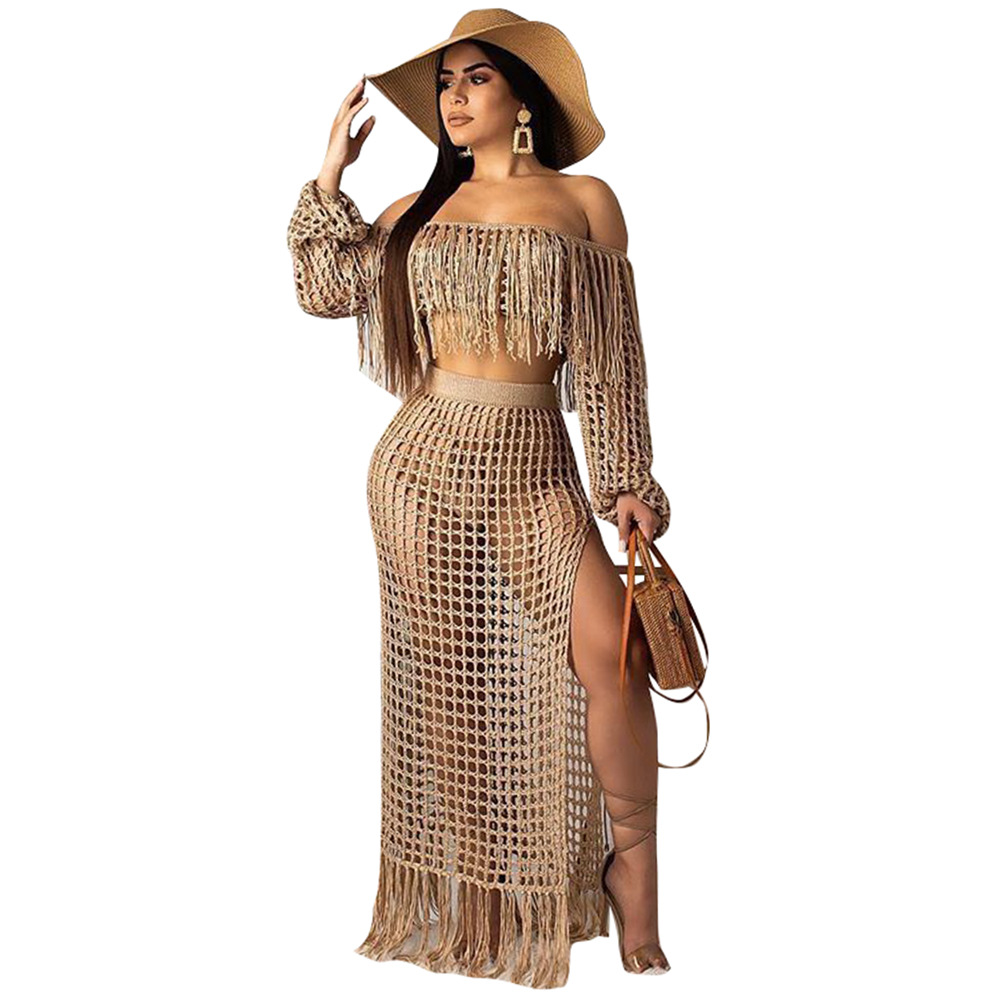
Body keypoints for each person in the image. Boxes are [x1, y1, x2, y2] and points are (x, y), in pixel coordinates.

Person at [287, 9, 674, 988]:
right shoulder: (418, 212)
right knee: (450, 689)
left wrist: (624, 480)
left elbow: (611, 360)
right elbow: (326, 290)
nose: (453, 99)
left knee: (617, 657)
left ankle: (633, 868)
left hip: (536, 464)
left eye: (475, 79)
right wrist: (330, 175)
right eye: (445, 83)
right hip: (420, 469)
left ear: (522, 96)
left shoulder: (584, 202)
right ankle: (487, 895)